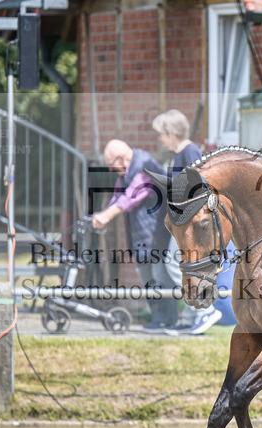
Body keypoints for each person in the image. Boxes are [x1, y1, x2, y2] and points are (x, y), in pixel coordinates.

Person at [150, 110, 221, 335]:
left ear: (172, 133)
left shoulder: (189, 152)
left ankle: (204, 311)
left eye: (161, 134)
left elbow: (197, 189)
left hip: (188, 222)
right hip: (182, 220)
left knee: (174, 262)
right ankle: (190, 317)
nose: (159, 138)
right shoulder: (180, 153)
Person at [91, 139, 173, 333]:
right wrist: (103, 214)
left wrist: (107, 215)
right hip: (141, 234)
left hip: (157, 232)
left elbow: (131, 197)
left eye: (112, 164)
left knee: (159, 275)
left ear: (122, 158)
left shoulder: (144, 165)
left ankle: (166, 319)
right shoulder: (127, 170)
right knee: (146, 277)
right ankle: (157, 317)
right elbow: (118, 196)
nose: (111, 169)